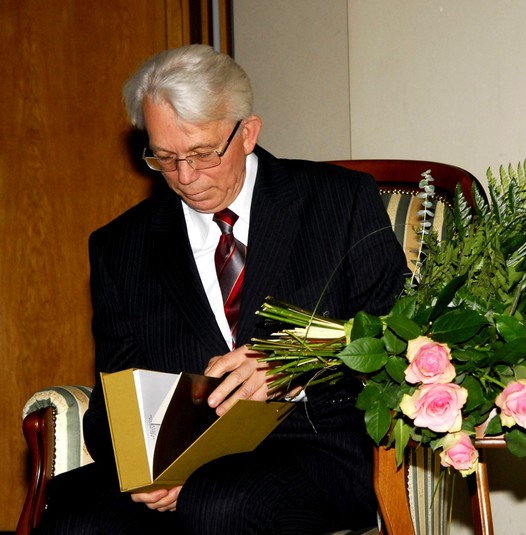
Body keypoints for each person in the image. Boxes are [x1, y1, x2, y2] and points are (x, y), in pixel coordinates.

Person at [36, 44, 408, 534]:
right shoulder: (120, 246)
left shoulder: (338, 200)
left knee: (218, 502)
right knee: (76, 521)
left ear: (247, 132)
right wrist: (145, 469)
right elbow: (113, 405)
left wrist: (294, 360)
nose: (186, 177)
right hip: (185, 465)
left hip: (316, 449)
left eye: (201, 154)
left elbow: (400, 332)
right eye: (165, 157)